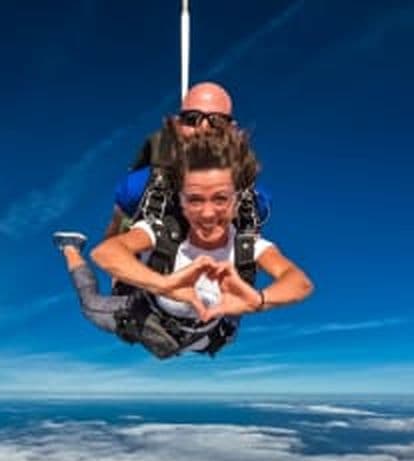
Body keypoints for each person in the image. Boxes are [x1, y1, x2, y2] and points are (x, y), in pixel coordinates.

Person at [54, 127, 312, 359]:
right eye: (195, 200)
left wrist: (257, 300)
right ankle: (70, 247)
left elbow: (298, 282)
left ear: (237, 202)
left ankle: (130, 270)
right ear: (181, 202)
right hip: (148, 316)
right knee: (90, 306)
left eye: (221, 199)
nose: (208, 213)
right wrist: (166, 285)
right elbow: (105, 253)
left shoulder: (248, 245)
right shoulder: (163, 231)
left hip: (207, 335)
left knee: (221, 333)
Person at [103, 81, 271, 240]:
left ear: (231, 129)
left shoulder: (253, 203)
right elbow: (113, 240)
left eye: (217, 121)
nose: (203, 128)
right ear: (177, 125)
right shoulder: (139, 188)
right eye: (192, 119)